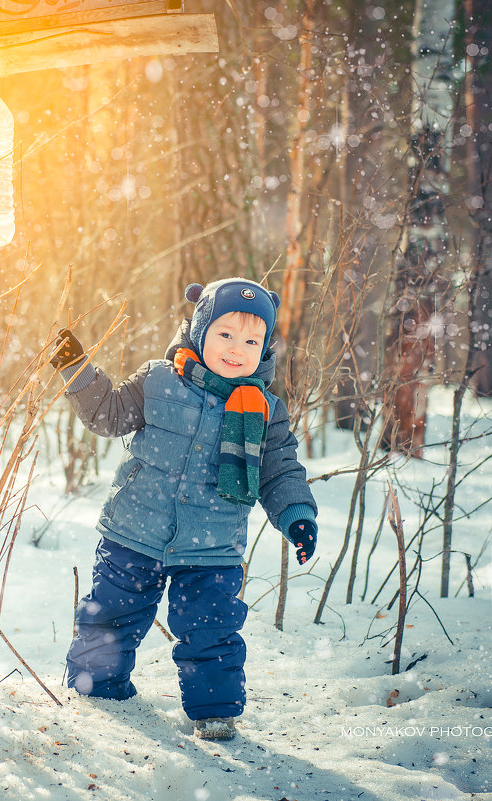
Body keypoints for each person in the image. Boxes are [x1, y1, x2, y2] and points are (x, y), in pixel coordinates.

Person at [48, 277, 318, 742]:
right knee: (109, 618)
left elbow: (280, 470)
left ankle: (214, 712)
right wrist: (79, 371)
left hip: (212, 548)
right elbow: (109, 415)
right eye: (225, 334)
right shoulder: (157, 380)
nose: (237, 349)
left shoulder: (267, 410)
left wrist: (297, 515)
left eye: (251, 340)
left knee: (212, 632)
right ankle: (95, 696)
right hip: (134, 533)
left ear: (265, 349)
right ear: (199, 329)